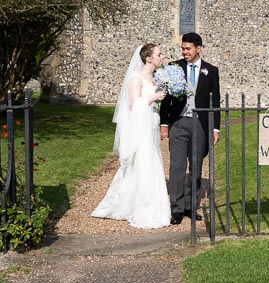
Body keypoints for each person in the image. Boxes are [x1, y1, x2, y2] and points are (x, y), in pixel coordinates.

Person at [91, 44, 172, 228]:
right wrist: (154, 98)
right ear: (149, 58)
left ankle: (155, 204)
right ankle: (141, 207)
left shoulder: (155, 78)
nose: (163, 57)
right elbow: (134, 105)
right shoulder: (135, 79)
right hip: (140, 128)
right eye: (159, 54)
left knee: (152, 160)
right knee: (142, 162)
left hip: (151, 123)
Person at [159, 32, 221, 225]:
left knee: (196, 165)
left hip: (200, 124)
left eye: (188, 49)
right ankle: (176, 209)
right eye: (183, 49)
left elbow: (215, 101)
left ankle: (189, 206)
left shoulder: (211, 71)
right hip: (178, 122)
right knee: (177, 166)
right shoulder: (173, 68)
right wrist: (163, 123)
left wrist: (215, 128)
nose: (184, 52)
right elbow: (166, 97)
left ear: (198, 48)